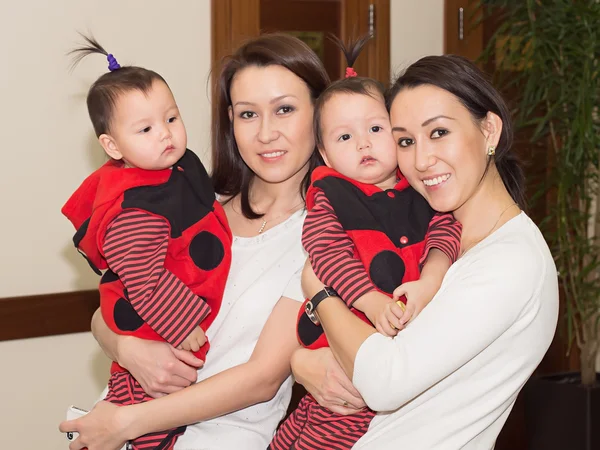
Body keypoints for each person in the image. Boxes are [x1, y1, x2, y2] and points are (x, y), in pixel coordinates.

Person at [59, 33, 334, 450]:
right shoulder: (198, 208)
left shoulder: (323, 238)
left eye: (285, 110)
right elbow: (112, 303)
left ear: (319, 113)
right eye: (247, 115)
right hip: (116, 421)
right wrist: (128, 350)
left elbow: (260, 379)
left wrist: (127, 423)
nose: (265, 133)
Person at [297, 54, 559, 449]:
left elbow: (385, 382)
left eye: (438, 133)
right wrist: (302, 363)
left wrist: (319, 292)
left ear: (489, 130)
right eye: (405, 140)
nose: (421, 160)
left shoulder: (511, 260)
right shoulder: (410, 227)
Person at [271, 38, 461, 450]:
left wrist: (431, 279)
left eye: (376, 129)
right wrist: (369, 301)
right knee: (324, 429)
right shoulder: (331, 195)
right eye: (344, 137)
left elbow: (447, 232)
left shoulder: (424, 188)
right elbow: (325, 253)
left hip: (402, 359)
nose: (363, 144)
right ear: (324, 153)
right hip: (345, 347)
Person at [62, 36, 232, 449]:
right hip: (153, 326)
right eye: (146, 128)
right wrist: (182, 324)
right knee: (144, 411)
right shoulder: (133, 209)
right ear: (113, 146)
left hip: (160, 326)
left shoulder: (178, 166)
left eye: (171, 118)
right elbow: (143, 279)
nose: (166, 135)